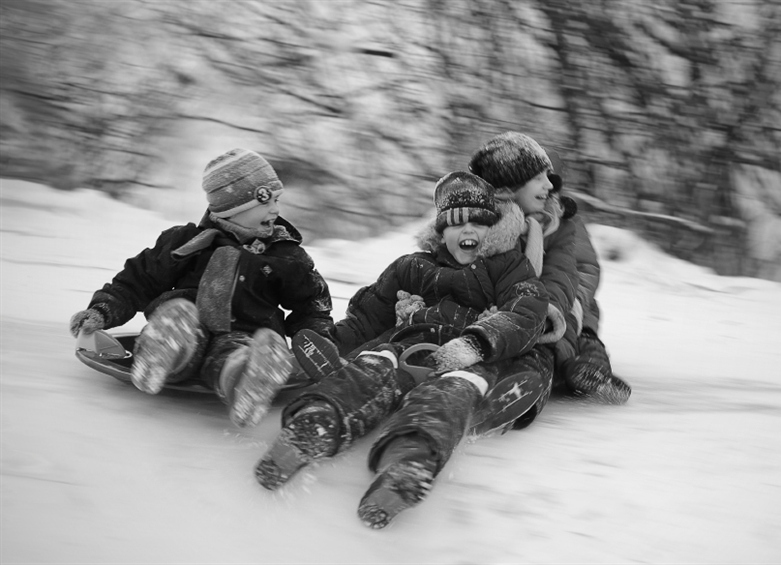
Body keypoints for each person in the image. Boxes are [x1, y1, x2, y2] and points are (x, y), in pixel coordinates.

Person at [254, 171, 552, 528]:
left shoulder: (507, 266)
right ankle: (314, 426)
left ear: (493, 228)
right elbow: (368, 318)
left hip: (465, 357)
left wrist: (476, 342)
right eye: (457, 224)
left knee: (449, 395)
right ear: (441, 231)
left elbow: (525, 309)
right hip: (406, 345)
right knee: (371, 368)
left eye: (479, 222)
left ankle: (408, 465)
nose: (468, 231)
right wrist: (333, 344)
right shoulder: (413, 267)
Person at [68, 148, 334, 428]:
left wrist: (319, 341)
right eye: (268, 201)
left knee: (234, 356)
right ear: (235, 207)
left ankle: (249, 379)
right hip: (187, 322)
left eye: (277, 200)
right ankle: (163, 350)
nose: (276, 210)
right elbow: (139, 279)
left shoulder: (285, 256)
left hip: (245, 333)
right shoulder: (188, 242)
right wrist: (103, 309)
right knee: (181, 325)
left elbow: (311, 303)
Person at [468, 132, 631, 403]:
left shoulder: (562, 223)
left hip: (569, 295)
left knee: (580, 330)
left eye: (549, 181)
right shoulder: (498, 222)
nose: (545, 188)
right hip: (521, 302)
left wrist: (576, 298)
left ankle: (589, 370)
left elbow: (583, 266)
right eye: (537, 179)